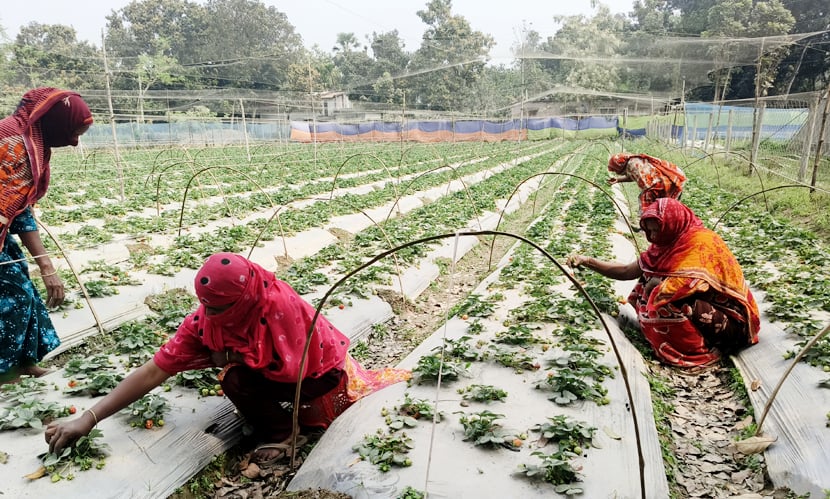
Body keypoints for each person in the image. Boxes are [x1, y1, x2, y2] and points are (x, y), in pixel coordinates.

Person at [45, 252, 411, 465]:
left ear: (248, 295)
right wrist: (89, 418)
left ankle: (295, 426)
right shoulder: (205, 321)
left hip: (317, 373)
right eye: (206, 306)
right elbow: (155, 370)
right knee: (234, 379)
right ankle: (285, 429)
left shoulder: (280, 306)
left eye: (220, 308)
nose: (211, 315)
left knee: (240, 375)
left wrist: (232, 354)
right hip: (271, 372)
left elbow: (298, 367)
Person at [567, 198, 760, 368]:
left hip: (734, 324)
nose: (652, 237)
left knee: (662, 296)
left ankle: (698, 351)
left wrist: (658, 284)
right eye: (648, 231)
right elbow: (627, 271)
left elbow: (688, 285)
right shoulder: (666, 244)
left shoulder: (701, 242)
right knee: (647, 282)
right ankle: (676, 338)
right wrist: (587, 261)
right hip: (708, 311)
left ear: (671, 224)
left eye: (656, 230)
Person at [0, 88, 94, 383]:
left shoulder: (34, 144)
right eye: (73, 132)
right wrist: (46, 267)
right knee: (13, 294)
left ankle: (24, 361)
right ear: (54, 122)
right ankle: (5, 371)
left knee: (22, 289)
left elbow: (18, 209)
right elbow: (15, 209)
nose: (74, 141)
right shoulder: (11, 142)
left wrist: (45, 266)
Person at [607, 152, 687, 215]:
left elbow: (647, 185)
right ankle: (656, 222)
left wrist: (652, 201)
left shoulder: (633, 164)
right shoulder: (631, 162)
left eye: (615, 170)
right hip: (673, 178)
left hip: (669, 181)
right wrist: (618, 180)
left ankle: (649, 222)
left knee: (648, 199)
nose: (616, 172)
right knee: (664, 204)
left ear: (618, 166)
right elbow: (634, 176)